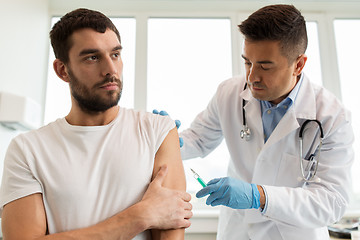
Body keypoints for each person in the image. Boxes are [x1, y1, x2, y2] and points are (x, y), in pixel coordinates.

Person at [0, 8, 192, 240]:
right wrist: (140, 216)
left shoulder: (158, 131)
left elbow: (170, 230)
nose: (110, 70)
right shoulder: (27, 150)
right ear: (63, 70)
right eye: (92, 57)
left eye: (115, 55)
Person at [178, 4, 354, 240]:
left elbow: (331, 201)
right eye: (247, 62)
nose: (251, 77)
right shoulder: (229, 92)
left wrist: (258, 196)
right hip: (237, 231)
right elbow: (198, 139)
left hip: (293, 233)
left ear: (299, 64)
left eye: (265, 66)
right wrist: (166, 139)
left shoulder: (331, 117)